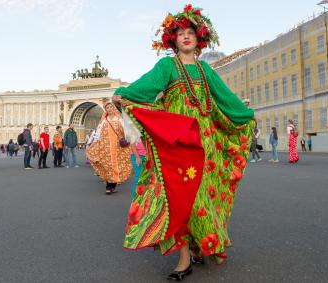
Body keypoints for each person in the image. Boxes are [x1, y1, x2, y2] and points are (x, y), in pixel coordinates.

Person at [111, 4, 255, 280]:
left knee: (201, 195)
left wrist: (245, 115)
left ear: (199, 39)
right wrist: (124, 93)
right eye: (180, 33)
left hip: (205, 144)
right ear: (172, 39)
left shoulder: (204, 70)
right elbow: (148, 86)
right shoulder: (168, 65)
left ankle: (200, 244)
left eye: (191, 32)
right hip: (177, 141)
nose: (186, 36)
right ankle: (184, 258)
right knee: (179, 196)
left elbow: (225, 98)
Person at [87, 102, 133, 194]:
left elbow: (126, 131)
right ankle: (108, 186)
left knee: (117, 165)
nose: (109, 109)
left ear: (113, 108)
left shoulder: (119, 119)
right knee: (107, 165)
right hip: (106, 147)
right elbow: (98, 133)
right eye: (107, 108)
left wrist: (130, 140)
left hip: (118, 148)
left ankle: (113, 185)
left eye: (110, 107)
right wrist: (94, 142)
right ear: (106, 110)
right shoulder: (104, 121)